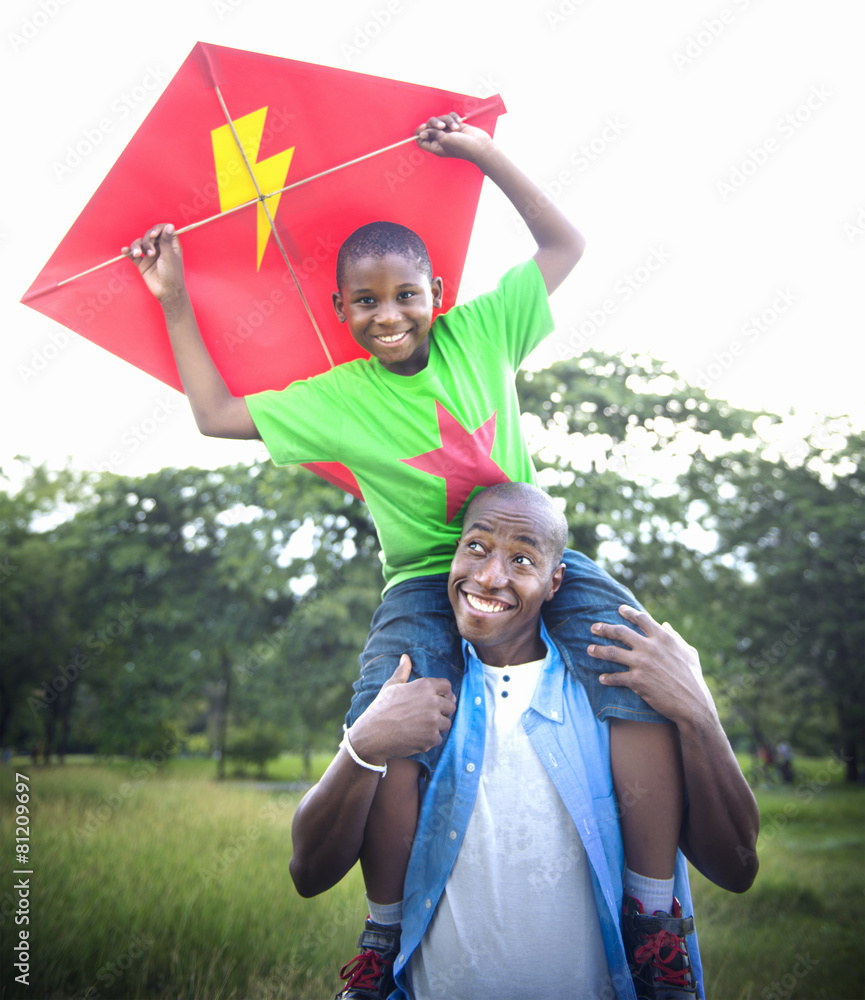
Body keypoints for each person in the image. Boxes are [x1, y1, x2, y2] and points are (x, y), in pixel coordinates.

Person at [126, 112, 688, 999]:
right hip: (426, 580)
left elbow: (564, 242)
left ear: (436, 290)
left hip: (535, 557)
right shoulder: (338, 396)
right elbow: (214, 416)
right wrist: (172, 297)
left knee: (642, 669)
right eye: (365, 302)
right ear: (341, 312)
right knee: (393, 723)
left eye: (404, 295)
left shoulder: (485, 331)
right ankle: (382, 937)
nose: (388, 315)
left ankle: (654, 919)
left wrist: (478, 151)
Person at [289, 482, 761, 999]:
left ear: (556, 581)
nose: (489, 577)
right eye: (476, 547)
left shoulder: (615, 696)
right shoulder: (409, 702)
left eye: (521, 559)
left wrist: (698, 711)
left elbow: (736, 867)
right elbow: (309, 873)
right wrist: (365, 744)